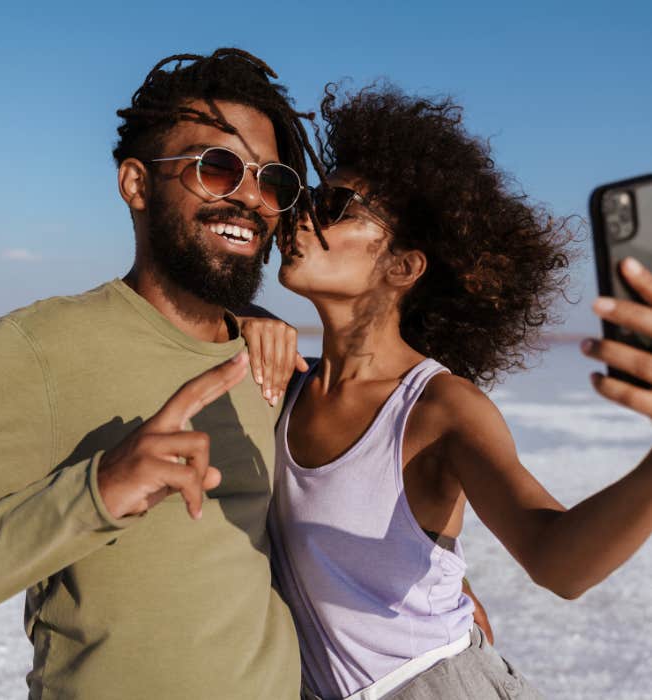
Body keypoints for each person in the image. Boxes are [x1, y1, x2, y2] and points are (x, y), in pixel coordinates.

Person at [0, 48, 325, 699]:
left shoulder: (270, 359)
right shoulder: (42, 349)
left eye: (272, 180)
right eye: (217, 166)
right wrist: (95, 494)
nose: (250, 197)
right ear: (136, 184)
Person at [240, 84, 652, 700]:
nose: (302, 215)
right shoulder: (283, 382)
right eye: (308, 199)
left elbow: (559, 564)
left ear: (402, 267)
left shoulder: (440, 409)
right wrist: (243, 319)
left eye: (337, 205)